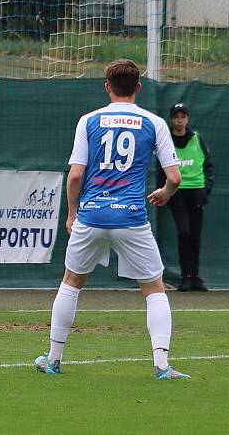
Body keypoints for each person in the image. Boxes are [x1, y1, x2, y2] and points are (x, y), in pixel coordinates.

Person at [34, 59, 190, 380]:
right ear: (138, 87)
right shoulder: (154, 123)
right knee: (154, 288)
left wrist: (73, 213)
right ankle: (161, 365)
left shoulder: (89, 121)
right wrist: (164, 193)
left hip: (91, 215)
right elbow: (174, 177)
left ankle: (54, 359)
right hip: (131, 217)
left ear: (107, 87)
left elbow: (76, 175)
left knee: (72, 282)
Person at [160, 103, 214, 292]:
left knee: (195, 236)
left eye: (183, 116)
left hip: (197, 193)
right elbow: (161, 168)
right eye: (176, 117)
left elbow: (208, 165)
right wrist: (165, 191)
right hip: (177, 193)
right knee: (184, 232)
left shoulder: (197, 139)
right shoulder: (166, 140)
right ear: (171, 120)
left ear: (187, 119)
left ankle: (195, 277)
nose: (179, 120)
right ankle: (185, 276)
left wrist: (206, 189)